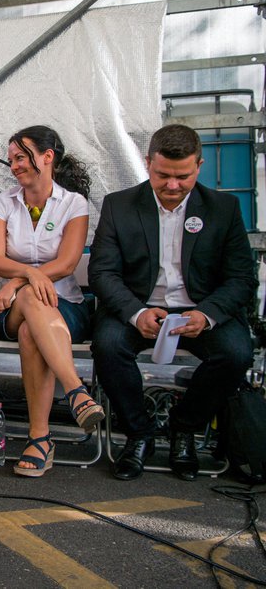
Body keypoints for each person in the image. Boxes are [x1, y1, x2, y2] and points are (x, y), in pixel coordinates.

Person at [89, 123, 256, 481]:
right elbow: (103, 273)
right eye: (163, 175)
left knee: (236, 353)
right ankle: (139, 433)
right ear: (147, 162)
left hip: (199, 309)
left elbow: (242, 278)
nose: (172, 186)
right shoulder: (119, 206)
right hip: (137, 306)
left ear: (200, 165)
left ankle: (185, 428)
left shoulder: (224, 208)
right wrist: (136, 313)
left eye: (183, 176)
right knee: (108, 345)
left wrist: (207, 315)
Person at [0, 125, 103, 477]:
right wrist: (29, 278)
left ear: (47, 157)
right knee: (33, 301)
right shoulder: (4, 201)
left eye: (21, 157)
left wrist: (20, 280)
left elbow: (67, 263)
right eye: (11, 160)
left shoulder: (73, 203)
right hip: (10, 308)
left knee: (30, 330)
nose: (14, 166)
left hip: (63, 304)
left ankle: (40, 439)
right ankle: (77, 391)